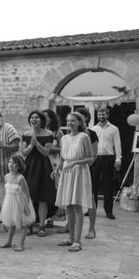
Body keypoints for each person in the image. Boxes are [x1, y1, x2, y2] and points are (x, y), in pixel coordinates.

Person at [52, 112, 94, 252]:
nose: (70, 123)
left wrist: (75, 162)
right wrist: (57, 169)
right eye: (68, 120)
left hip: (79, 172)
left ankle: (77, 241)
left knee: (77, 206)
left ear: (79, 122)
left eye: (73, 121)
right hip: (66, 172)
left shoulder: (84, 137)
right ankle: (70, 238)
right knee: (68, 206)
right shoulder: (63, 138)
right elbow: (63, 158)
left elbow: (90, 158)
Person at [20, 110, 56, 237]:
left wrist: (37, 144)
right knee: (29, 197)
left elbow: (46, 152)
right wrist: (31, 145)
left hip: (43, 166)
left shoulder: (48, 134)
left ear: (41, 120)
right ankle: (29, 225)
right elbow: (23, 153)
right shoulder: (26, 134)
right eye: (31, 118)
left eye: (36, 118)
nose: (33, 120)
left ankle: (42, 226)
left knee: (42, 198)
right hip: (29, 166)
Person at [0, 154, 35, 251]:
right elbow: (7, 191)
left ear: (19, 166)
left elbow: (27, 193)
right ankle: (8, 241)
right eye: (10, 162)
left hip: (21, 202)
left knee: (23, 223)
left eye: (14, 163)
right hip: (10, 202)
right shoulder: (6, 177)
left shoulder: (20, 178)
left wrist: (26, 206)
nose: (11, 164)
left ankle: (21, 244)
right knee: (11, 222)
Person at [91, 107, 121, 220]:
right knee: (93, 185)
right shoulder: (93, 129)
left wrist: (118, 159)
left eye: (103, 114)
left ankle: (109, 211)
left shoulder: (114, 129)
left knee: (108, 186)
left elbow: (117, 145)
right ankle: (91, 209)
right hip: (95, 159)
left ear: (107, 115)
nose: (101, 116)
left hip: (108, 159)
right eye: (99, 114)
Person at [75, 107, 99, 239]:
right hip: (73, 169)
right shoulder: (70, 134)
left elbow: (94, 154)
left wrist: (84, 166)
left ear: (86, 119)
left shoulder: (91, 134)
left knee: (90, 198)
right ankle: (70, 225)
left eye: (79, 116)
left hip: (88, 169)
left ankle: (91, 229)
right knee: (72, 198)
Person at [42, 109, 64, 229]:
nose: (45, 119)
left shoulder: (57, 133)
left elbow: (62, 149)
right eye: (43, 117)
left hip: (53, 163)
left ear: (52, 118)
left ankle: (51, 217)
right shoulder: (39, 131)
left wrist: (49, 149)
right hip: (42, 163)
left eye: (47, 117)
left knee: (53, 190)